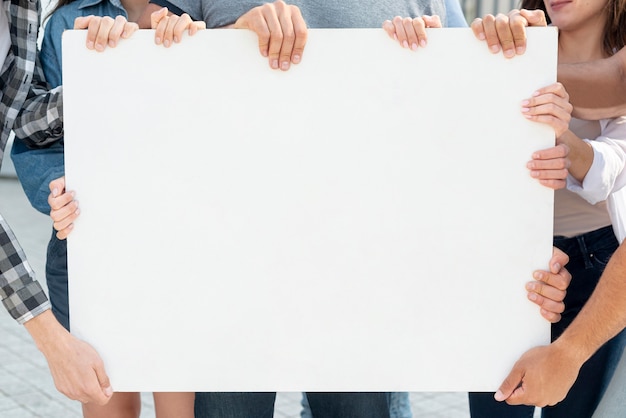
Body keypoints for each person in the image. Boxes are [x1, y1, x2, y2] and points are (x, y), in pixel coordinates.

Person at [10, 2, 205, 418]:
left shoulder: (190, 15)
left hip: (179, 252)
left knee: (177, 407)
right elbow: (31, 138)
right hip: (88, 251)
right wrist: (55, 191)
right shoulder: (65, 24)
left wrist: (177, 51)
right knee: (105, 401)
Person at [462, 1, 626, 417]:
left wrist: (570, 148)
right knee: (496, 408)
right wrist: (480, 56)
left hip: (601, 269)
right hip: (512, 263)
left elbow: (617, 163)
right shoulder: (513, 42)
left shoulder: (617, 65)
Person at [0, 0, 132, 407]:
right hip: (85, 241)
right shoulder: (62, 21)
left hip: (175, 235)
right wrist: (53, 340)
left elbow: (21, 113)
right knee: (108, 393)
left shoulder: (23, 11)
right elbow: (31, 135)